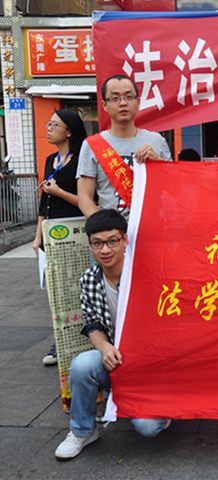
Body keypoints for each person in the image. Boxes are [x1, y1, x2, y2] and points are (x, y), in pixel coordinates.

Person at [55, 209, 170, 460]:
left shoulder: (149, 273)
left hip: (154, 364)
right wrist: (105, 347)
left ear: (125, 240)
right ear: (90, 245)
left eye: (112, 241)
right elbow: (92, 325)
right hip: (118, 358)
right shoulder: (89, 279)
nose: (105, 250)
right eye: (97, 243)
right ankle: (83, 431)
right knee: (82, 365)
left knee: (148, 428)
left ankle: (165, 409)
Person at [32, 109, 87, 366]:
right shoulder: (50, 159)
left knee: (76, 290)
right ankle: (61, 341)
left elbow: (87, 201)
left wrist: (59, 191)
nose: (49, 128)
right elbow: (44, 202)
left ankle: (81, 339)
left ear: (69, 131)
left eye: (54, 124)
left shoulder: (81, 160)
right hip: (50, 235)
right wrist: (37, 237)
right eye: (48, 123)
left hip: (74, 234)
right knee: (55, 292)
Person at [76, 74, 172, 220]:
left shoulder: (156, 141)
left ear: (138, 102)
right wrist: (103, 228)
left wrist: (158, 163)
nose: (123, 103)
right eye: (115, 98)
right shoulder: (92, 145)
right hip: (112, 231)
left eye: (129, 97)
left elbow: (173, 189)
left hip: (152, 226)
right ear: (104, 105)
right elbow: (84, 197)